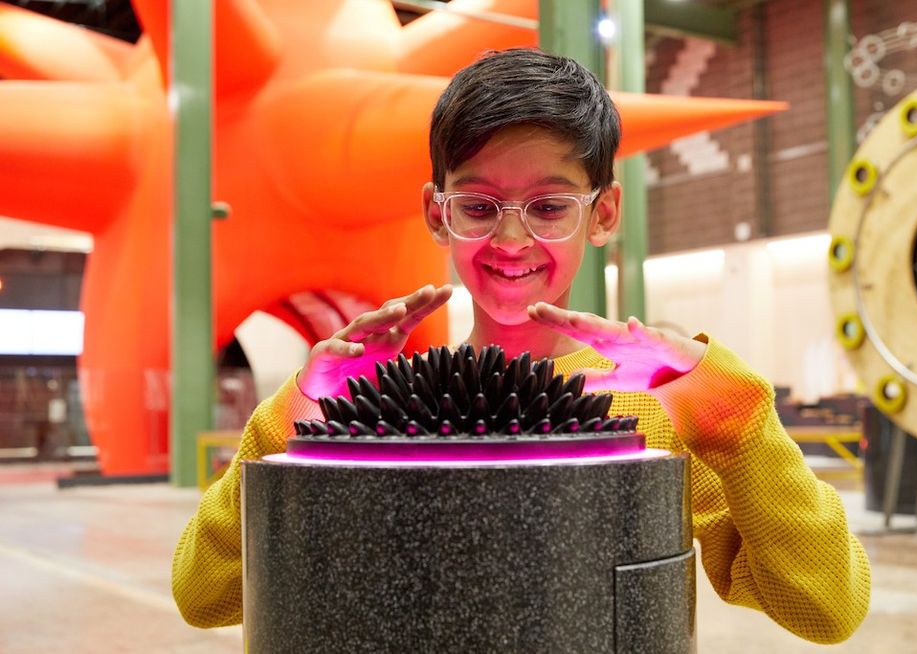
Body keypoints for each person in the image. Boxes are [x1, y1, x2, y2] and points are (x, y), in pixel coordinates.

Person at [172, 47, 870, 644]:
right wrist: (301, 409)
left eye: (548, 206)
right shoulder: (377, 412)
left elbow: (827, 607)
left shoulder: (659, 406)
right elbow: (205, 595)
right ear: (437, 213)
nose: (511, 240)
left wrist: (739, 418)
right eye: (479, 207)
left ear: (602, 213)